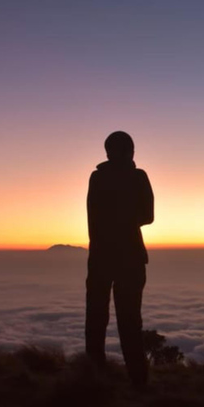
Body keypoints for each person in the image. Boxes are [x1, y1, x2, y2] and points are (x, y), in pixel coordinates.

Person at [86, 131, 154, 386]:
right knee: (129, 321)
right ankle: (137, 380)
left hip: (100, 256)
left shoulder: (97, 177)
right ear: (131, 151)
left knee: (95, 317)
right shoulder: (138, 177)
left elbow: (94, 218)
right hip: (130, 257)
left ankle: (93, 376)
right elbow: (148, 216)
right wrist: (126, 219)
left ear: (107, 152)